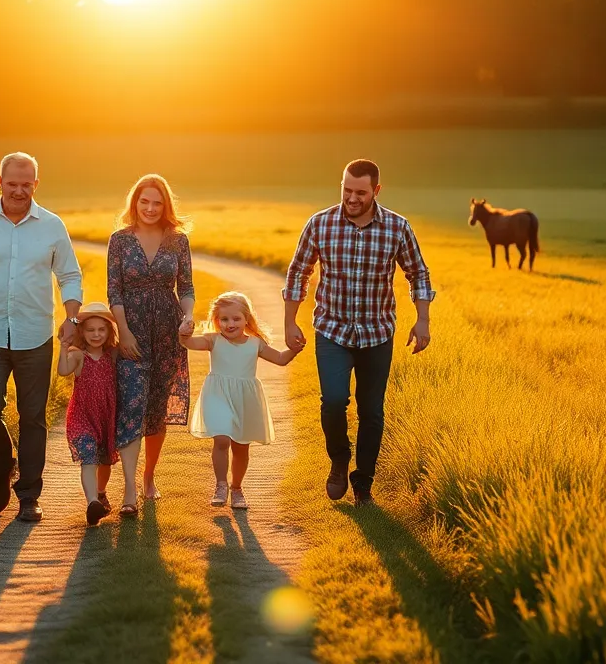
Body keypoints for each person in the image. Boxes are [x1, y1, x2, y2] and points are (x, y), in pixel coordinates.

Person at [283, 159, 434, 507]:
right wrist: (290, 322)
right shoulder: (320, 224)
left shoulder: (397, 228)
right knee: (334, 401)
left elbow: (419, 275)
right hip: (332, 330)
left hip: (377, 334)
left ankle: (363, 483)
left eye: (360, 192)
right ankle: (339, 458)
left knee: (372, 411)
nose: (351, 198)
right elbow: (297, 274)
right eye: (346, 189)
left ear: (376, 191)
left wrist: (422, 318)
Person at [0, 152, 82, 524]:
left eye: (27, 184)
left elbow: (70, 275)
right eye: (12, 184)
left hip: (35, 334)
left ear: (36, 185)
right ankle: (3, 466)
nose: (19, 191)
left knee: (33, 417)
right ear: (0, 183)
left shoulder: (52, 226)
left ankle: (29, 496)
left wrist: (72, 317)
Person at [107, 174, 195, 515]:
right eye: (144, 201)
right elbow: (114, 290)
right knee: (131, 408)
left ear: (165, 206)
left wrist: (187, 317)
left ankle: (148, 476)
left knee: (156, 413)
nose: (150, 208)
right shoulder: (120, 240)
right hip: (132, 333)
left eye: (157, 202)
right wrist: (123, 331)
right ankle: (129, 489)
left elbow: (186, 288)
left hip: (167, 335)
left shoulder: (178, 241)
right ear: (135, 203)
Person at [181, 291, 302, 509]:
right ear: (217, 321)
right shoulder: (213, 340)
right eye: (224, 319)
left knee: (241, 446)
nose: (230, 324)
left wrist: (294, 350)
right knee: (222, 440)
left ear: (247, 319)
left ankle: (236, 488)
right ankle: (220, 485)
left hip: (245, 400)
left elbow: (281, 359)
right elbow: (189, 343)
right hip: (218, 395)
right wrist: (183, 333)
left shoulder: (255, 344)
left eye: (236, 319)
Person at [57, 302, 120, 526]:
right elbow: (63, 371)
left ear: (109, 331)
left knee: (105, 462)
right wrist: (64, 348)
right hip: (82, 417)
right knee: (89, 459)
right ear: (82, 332)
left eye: (101, 329)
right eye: (90, 329)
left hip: (106, 418)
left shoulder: (112, 355)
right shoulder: (79, 356)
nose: (96, 334)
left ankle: (100, 492)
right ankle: (92, 502)